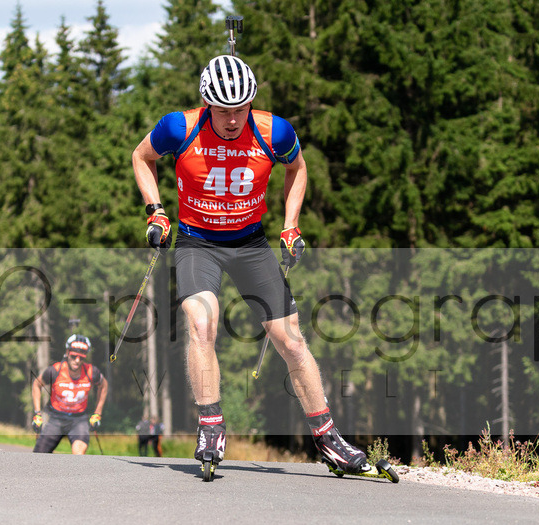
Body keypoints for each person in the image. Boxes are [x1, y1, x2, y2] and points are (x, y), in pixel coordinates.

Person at [130, 54, 367, 474]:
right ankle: (210, 425)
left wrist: (290, 224)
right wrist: (156, 211)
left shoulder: (275, 131)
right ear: (207, 104)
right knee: (202, 322)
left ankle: (328, 439)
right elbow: (141, 156)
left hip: (250, 243)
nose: (232, 119)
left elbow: (297, 168)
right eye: (223, 110)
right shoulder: (179, 127)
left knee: (291, 340)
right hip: (197, 242)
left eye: (240, 108)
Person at [31, 334, 108, 454]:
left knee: (78, 454)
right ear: (67, 353)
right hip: (56, 419)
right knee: (38, 456)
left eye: (81, 357)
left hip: (79, 420)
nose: (77, 360)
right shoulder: (55, 370)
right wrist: (37, 413)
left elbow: (104, 386)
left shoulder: (91, 371)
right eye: (73, 356)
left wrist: (97, 413)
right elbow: (37, 384)